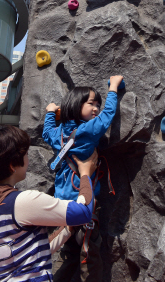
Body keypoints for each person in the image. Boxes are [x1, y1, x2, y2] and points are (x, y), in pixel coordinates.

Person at [0, 125, 97, 282]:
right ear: (12, 165)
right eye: (25, 154)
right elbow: (83, 212)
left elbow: (25, 251)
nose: (28, 159)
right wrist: (86, 174)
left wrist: (67, 230)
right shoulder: (22, 202)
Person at [42, 75, 124, 282]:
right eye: (91, 104)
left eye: (98, 104)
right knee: (90, 249)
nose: (96, 108)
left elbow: (46, 133)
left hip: (61, 205)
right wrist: (113, 88)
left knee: (68, 252)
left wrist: (51, 112)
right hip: (83, 201)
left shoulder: (60, 134)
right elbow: (108, 115)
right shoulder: (88, 130)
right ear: (76, 105)